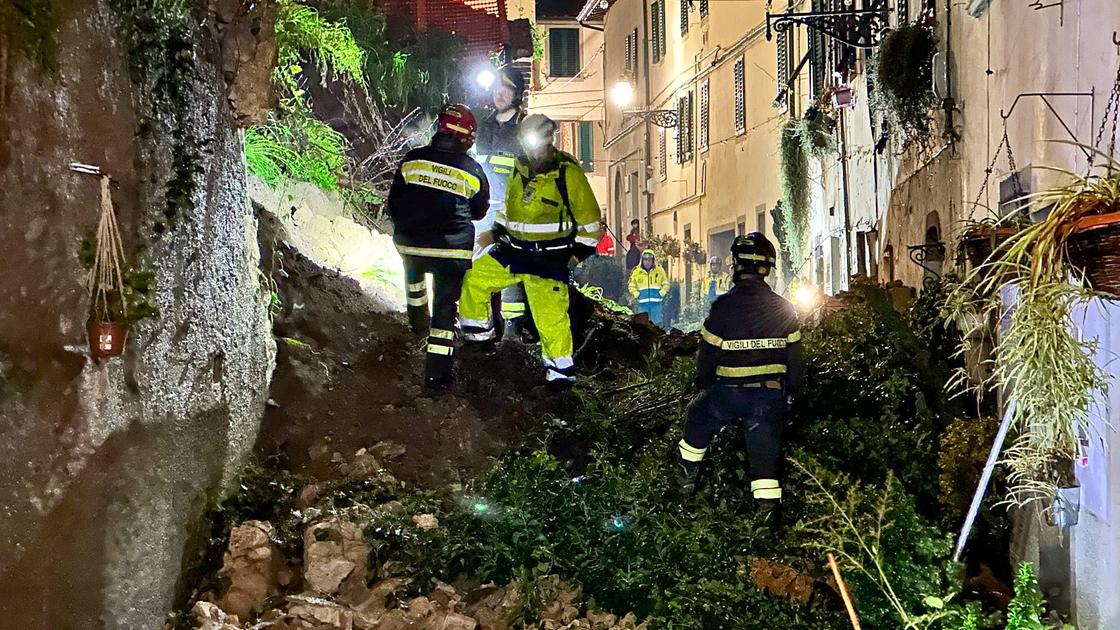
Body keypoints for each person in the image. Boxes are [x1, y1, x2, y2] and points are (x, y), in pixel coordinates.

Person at [458, 114, 602, 389]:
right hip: (513, 251)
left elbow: (590, 223)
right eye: (526, 140)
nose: (531, 147)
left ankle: (560, 380)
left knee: (551, 321)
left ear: (550, 138)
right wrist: (492, 234)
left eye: (536, 139)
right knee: (474, 279)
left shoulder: (567, 173)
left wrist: (575, 256)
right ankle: (479, 342)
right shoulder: (519, 167)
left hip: (547, 259)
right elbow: (511, 210)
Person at [670, 232, 803, 523]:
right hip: (769, 398)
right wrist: (792, 394)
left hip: (727, 396)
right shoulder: (784, 308)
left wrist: (702, 386)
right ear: (767, 267)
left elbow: (706, 359)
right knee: (765, 468)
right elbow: (795, 359)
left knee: (697, 419)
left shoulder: (723, 308)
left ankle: (684, 487)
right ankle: (766, 524)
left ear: (736, 265)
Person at [387, 103, 489, 391]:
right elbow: (479, 211)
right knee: (445, 309)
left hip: (411, 245)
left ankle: (418, 324)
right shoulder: (472, 170)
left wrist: (408, 229)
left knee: (414, 277)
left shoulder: (412, 159)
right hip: (451, 251)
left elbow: (394, 202)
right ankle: (436, 377)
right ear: (467, 138)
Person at [473, 66, 536, 342]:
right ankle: (484, 325)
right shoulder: (483, 127)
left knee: (512, 270)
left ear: (517, 94)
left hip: (514, 213)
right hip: (484, 211)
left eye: (506, 89)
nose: (499, 94)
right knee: (478, 266)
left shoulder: (527, 128)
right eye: (496, 88)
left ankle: (516, 329)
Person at [628, 249, 669, 326]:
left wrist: (662, 293)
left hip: (657, 304)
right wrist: (636, 294)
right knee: (643, 325)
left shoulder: (660, 271)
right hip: (642, 305)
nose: (647, 262)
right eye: (645, 260)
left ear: (653, 260)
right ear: (642, 260)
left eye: (650, 260)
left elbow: (666, 284)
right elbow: (631, 285)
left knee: (657, 324)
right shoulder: (637, 272)